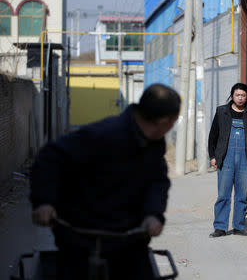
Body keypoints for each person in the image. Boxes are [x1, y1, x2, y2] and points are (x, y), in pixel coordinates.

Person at [30, 84, 180, 280]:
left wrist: (153, 214)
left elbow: (157, 182)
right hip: (80, 240)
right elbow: (49, 158)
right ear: (165, 121)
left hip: (128, 242)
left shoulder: (153, 145)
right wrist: (44, 201)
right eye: (174, 121)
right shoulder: (103, 134)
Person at [208, 83, 247, 237]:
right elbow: (213, 135)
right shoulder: (222, 111)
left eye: (243, 95)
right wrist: (213, 156)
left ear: (246, 97)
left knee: (242, 195)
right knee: (223, 195)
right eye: (237, 95)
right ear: (232, 95)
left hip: (245, 159)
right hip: (225, 158)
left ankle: (239, 227)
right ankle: (220, 228)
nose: (240, 98)